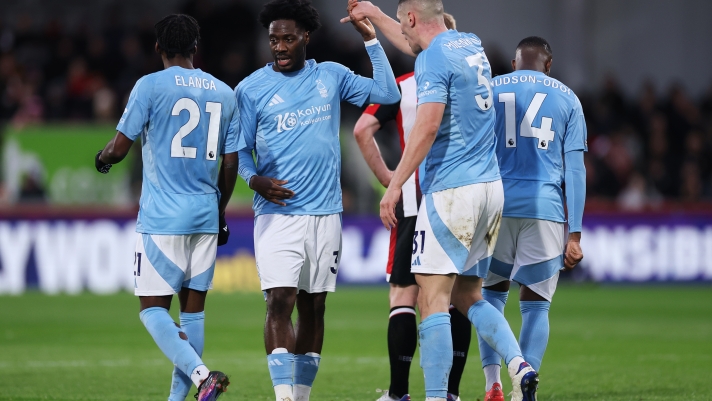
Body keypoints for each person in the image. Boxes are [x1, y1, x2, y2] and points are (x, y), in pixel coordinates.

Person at [349, 1, 539, 400]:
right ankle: (519, 363)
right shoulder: (471, 45)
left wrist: (396, 183)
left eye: (403, 22)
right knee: (469, 295)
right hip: (490, 189)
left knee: (431, 298)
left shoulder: (431, 60)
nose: (402, 33)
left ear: (413, 19)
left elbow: (429, 125)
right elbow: (413, 40)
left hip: (452, 192)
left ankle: (436, 397)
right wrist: (376, 13)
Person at [234, 1, 400, 401]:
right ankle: (284, 397)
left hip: (325, 215)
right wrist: (253, 178)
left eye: (288, 38)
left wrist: (372, 41)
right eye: (274, 39)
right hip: (277, 215)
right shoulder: (250, 89)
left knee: (314, 307)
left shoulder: (331, 76)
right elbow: (238, 152)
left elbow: (388, 94)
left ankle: (302, 396)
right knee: (280, 301)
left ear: (306, 37)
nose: (280, 46)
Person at [94, 14, 238, 401]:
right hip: (206, 214)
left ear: (157, 48)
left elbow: (120, 148)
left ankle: (204, 376)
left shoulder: (149, 86)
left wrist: (102, 158)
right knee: (193, 315)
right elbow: (230, 163)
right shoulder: (224, 92)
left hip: (162, 218)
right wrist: (220, 210)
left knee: (152, 310)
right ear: (196, 48)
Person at [352, 12, 471, 401]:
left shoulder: (403, 88)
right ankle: (451, 392)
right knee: (456, 295)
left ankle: (399, 393)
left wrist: (390, 179)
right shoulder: (471, 82)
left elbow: (362, 130)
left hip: (412, 200)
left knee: (404, 294)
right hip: (461, 197)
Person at [476, 36, 586, 401]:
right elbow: (575, 170)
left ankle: (493, 383)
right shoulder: (569, 98)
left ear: (513, 63)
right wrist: (576, 233)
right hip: (545, 210)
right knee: (536, 303)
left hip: (495, 206)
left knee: (489, 296)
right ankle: (527, 388)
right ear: (549, 65)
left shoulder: (490, 89)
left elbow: (471, 149)